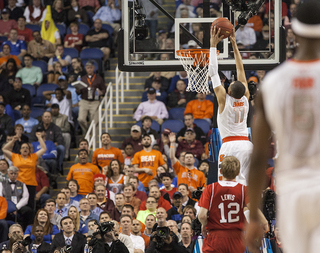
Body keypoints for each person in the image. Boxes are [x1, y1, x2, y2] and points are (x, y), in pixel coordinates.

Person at [246, 2, 320, 253]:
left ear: (294, 32)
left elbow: (258, 157)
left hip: (293, 193)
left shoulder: (272, 84)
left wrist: (254, 215)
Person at [209, 26, 253, 185]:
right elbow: (241, 69)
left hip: (230, 146)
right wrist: (234, 44)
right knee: (244, 188)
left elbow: (213, 72)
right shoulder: (246, 97)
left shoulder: (223, 99)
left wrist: (213, 45)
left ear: (229, 90)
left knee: (227, 186)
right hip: (247, 145)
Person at [198, 156, 249, 253]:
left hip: (216, 237)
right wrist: (263, 221)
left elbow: (201, 215)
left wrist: (204, 224)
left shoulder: (211, 188)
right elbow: (253, 210)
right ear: (238, 173)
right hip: (236, 238)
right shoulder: (244, 189)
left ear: (220, 172)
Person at [2, 133, 46, 209]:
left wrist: (39, 138)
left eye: (27, 148)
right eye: (23, 147)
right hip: (19, 183)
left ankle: (31, 220)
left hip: (31, 184)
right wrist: (12, 140)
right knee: (19, 203)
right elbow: (4, 149)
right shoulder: (15, 156)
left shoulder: (33, 156)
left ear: (29, 150)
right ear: (20, 150)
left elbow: (43, 149)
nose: (25, 149)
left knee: (30, 204)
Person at [77, 60, 106, 133]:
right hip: (84, 101)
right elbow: (78, 92)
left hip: (94, 101)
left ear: (94, 68)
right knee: (80, 119)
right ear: (85, 69)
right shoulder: (82, 78)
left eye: (91, 68)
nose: (89, 69)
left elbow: (104, 90)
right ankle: (87, 132)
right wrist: (77, 87)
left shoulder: (99, 78)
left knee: (95, 121)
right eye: (88, 68)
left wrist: (101, 92)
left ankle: (94, 136)